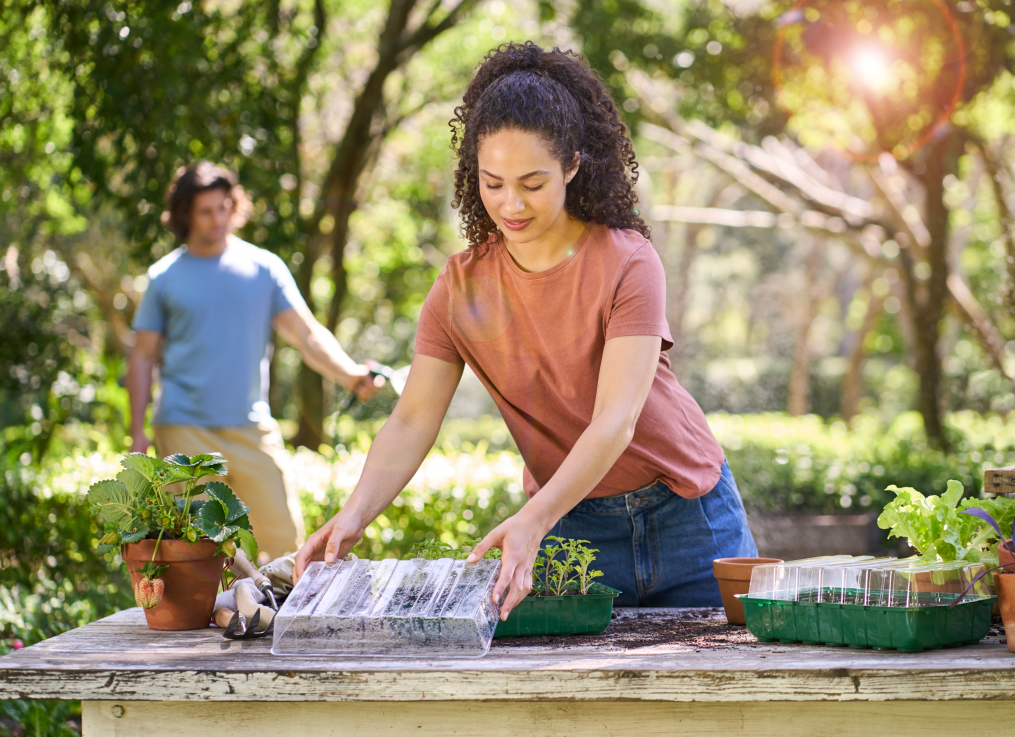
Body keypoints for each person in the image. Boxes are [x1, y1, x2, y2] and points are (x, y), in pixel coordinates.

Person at [293, 42, 757, 617]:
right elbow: (412, 418)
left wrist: (533, 520)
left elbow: (616, 419)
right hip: (571, 528)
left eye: (532, 184)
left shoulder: (628, 262)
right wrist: (354, 514)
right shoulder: (459, 290)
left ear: (571, 166)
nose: (510, 204)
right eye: (493, 183)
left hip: (690, 518)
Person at [128, 162, 382, 560]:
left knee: (286, 543)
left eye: (224, 207)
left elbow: (305, 333)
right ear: (185, 216)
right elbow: (142, 357)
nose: (218, 219)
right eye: (205, 211)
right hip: (183, 429)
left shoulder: (264, 268)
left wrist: (350, 374)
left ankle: (279, 620)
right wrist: (136, 432)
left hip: (251, 428)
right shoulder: (165, 277)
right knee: (197, 555)